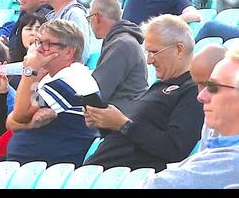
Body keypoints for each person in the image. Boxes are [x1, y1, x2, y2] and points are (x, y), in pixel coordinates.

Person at [84, 14, 204, 171]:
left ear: (179, 49)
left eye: (154, 52)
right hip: (102, 172)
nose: (149, 60)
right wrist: (104, 122)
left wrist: (124, 125)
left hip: (127, 177)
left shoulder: (193, 91)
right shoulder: (160, 86)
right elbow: (133, 133)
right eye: (148, 52)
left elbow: (174, 148)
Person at [6, 19, 100, 164]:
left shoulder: (72, 79)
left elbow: (19, 115)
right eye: (39, 42)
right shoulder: (50, 79)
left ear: (69, 52)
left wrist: (29, 71)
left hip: (54, 170)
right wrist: (30, 124)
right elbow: (11, 122)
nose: (39, 49)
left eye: (48, 44)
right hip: (33, 166)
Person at [147, 45, 239, 188]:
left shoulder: (232, 162)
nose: (201, 96)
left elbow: (161, 185)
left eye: (213, 87)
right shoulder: (215, 130)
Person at [87, 0, 148, 111]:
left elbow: (97, 91)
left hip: (123, 119)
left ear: (96, 17)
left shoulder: (121, 44)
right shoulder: (120, 41)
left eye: (89, 19)